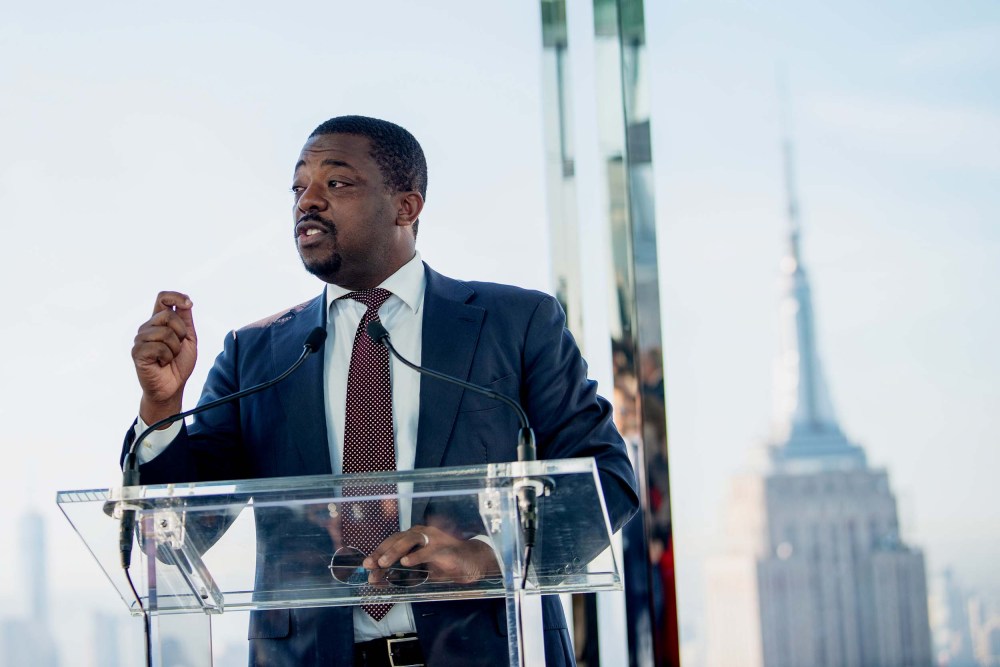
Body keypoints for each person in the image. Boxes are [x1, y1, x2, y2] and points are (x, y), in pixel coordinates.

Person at [126, 115, 638, 666]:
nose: (308, 202)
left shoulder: (514, 324)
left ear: (406, 207)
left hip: (492, 650)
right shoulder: (256, 353)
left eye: (336, 183)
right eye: (299, 187)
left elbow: (606, 483)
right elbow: (180, 533)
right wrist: (162, 406)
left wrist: (487, 559)